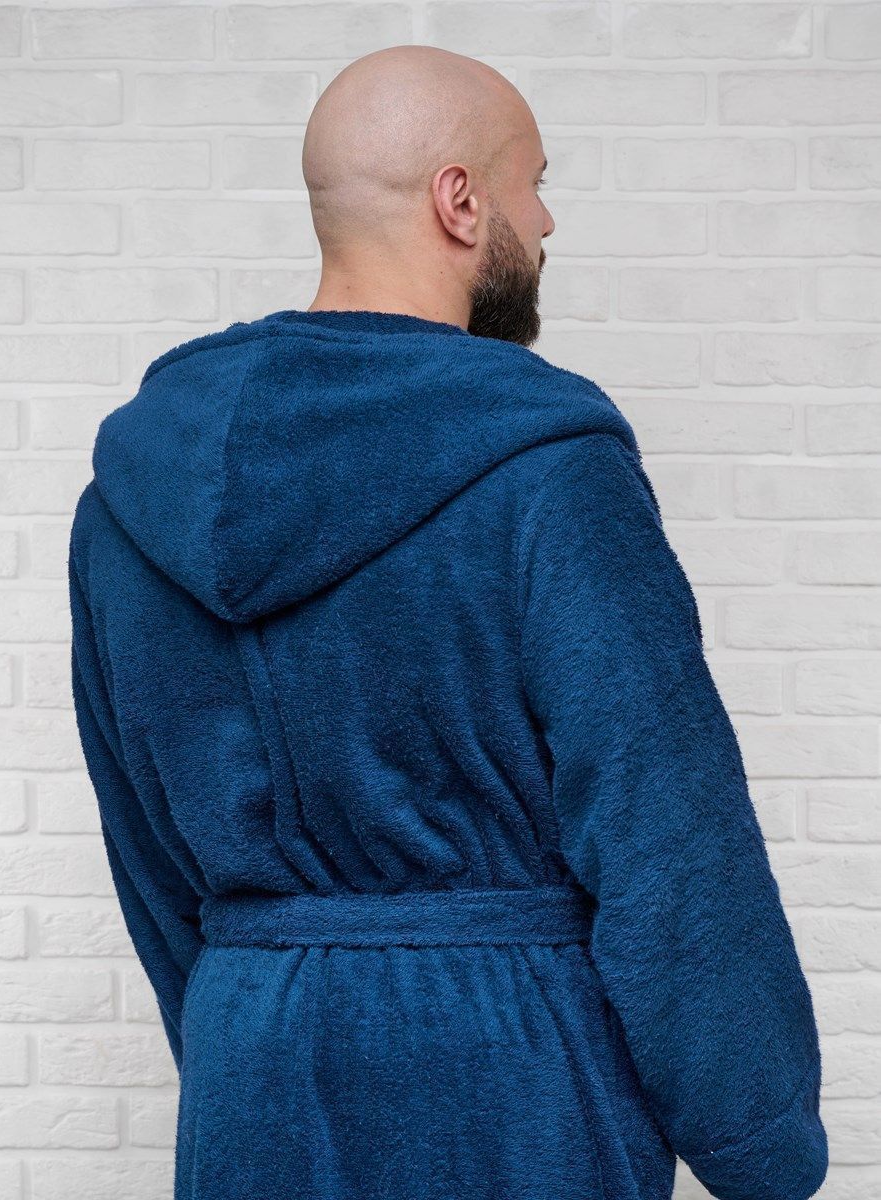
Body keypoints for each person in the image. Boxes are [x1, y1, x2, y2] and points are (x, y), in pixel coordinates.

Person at [68, 43, 828, 1200]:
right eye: (534, 182)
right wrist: (759, 1136)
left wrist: (246, 1017)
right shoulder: (546, 468)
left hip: (252, 1073)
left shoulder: (123, 504)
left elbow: (147, 850)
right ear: (460, 201)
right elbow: (664, 828)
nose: (548, 219)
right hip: (519, 1079)